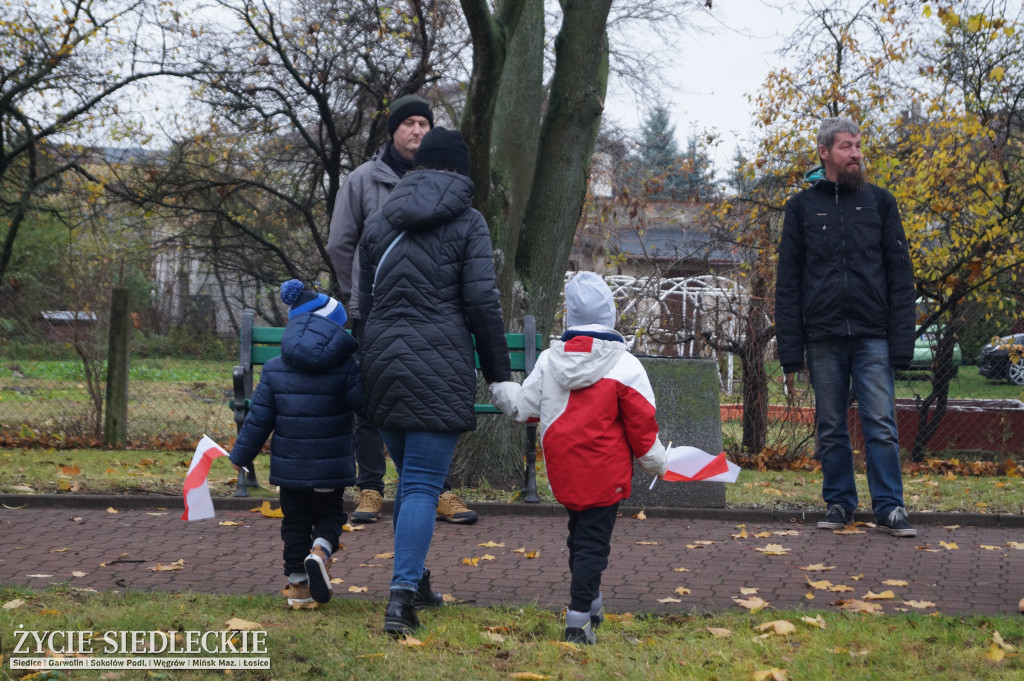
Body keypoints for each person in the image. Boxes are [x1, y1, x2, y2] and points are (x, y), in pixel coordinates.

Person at [357, 126, 511, 635]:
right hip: (438, 362)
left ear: (418, 167)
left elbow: (366, 305)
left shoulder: (379, 223)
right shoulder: (468, 222)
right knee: (423, 485)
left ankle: (417, 580)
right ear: (461, 172)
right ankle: (401, 599)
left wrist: (368, 363)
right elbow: (482, 304)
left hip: (381, 363)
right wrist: (498, 375)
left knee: (410, 484)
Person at [489, 272, 668, 644]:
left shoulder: (549, 361)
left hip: (564, 471)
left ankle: (593, 600)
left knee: (578, 536)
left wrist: (500, 389)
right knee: (592, 544)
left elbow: (524, 406)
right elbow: (642, 427)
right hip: (605, 473)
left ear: (569, 317)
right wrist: (658, 463)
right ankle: (579, 617)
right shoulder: (626, 366)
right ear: (611, 316)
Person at [327, 93, 478, 525]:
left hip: (434, 314)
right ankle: (370, 488)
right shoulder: (362, 181)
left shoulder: (448, 179)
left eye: (424, 124)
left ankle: (439, 489)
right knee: (373, 397)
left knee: (433, 397)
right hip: (375, 310)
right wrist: (361, 294)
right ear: (392, 131)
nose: (417, 130)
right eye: (409, 122)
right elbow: (342, 243)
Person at [775, 116, 918, 538]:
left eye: (858, 146)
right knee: (832, 426)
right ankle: (839, 503)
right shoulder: (801, 208)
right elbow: (788, 284)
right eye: (846, 146)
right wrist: (789, 350)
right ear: (824, 153)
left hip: (874, 336)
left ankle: (890, 508)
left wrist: (901, 342)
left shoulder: (880, 203)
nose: (856, 153)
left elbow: (900, 276)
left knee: (880, 424)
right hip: (822, 337)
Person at [228, 280, 365, 608]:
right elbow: (367, 408)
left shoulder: (275, 369)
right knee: (331, 515)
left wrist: (241, 456)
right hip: (331, 466)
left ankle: (299, 587)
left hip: (290, 468)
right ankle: (320, 550)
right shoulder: (346, 368)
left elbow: (259, 419)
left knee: (294, 523)